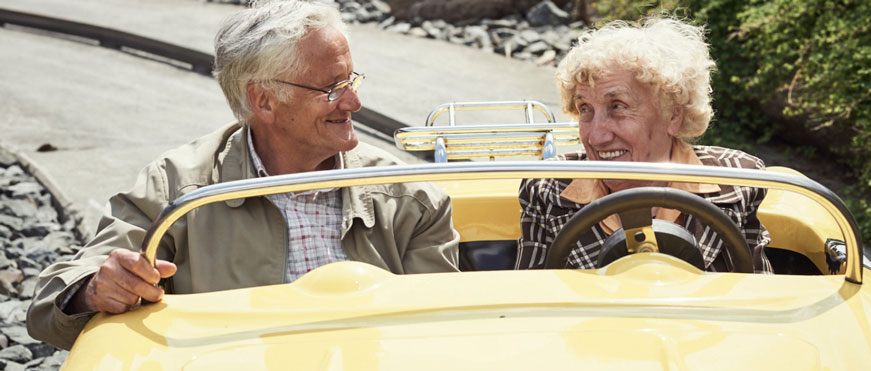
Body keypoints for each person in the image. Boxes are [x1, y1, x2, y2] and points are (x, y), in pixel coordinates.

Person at [28, 0, 459, 350]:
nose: (353, 103)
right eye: (332, 88)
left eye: (352, 80)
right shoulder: (176, 187)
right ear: (264, 101)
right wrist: (93, 290)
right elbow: (48, 307)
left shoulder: (411, 196)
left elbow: (445, 334)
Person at [516, 17, 773, 273]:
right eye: (585, 109)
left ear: (673, 115)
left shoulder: (738, 180)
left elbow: (763, 299)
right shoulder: (547, 188)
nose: (596, 137)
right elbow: (531, 303)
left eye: (617, 106)